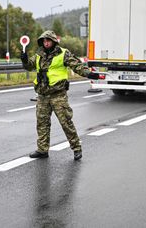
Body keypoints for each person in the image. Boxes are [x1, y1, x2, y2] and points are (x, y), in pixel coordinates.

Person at [20, 30, 98, 160]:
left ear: (53, 41)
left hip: (58, 95)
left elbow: (77, 66)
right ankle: (42, 150)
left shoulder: (63, 53)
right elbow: (29, 66)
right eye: (44, 41)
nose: (46, 43)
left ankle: (76, 148)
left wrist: (89, 73)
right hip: (43, 95)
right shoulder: (39, 54)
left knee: (66, 123)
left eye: (48, 40)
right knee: (42, 123)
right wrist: (25, 60)